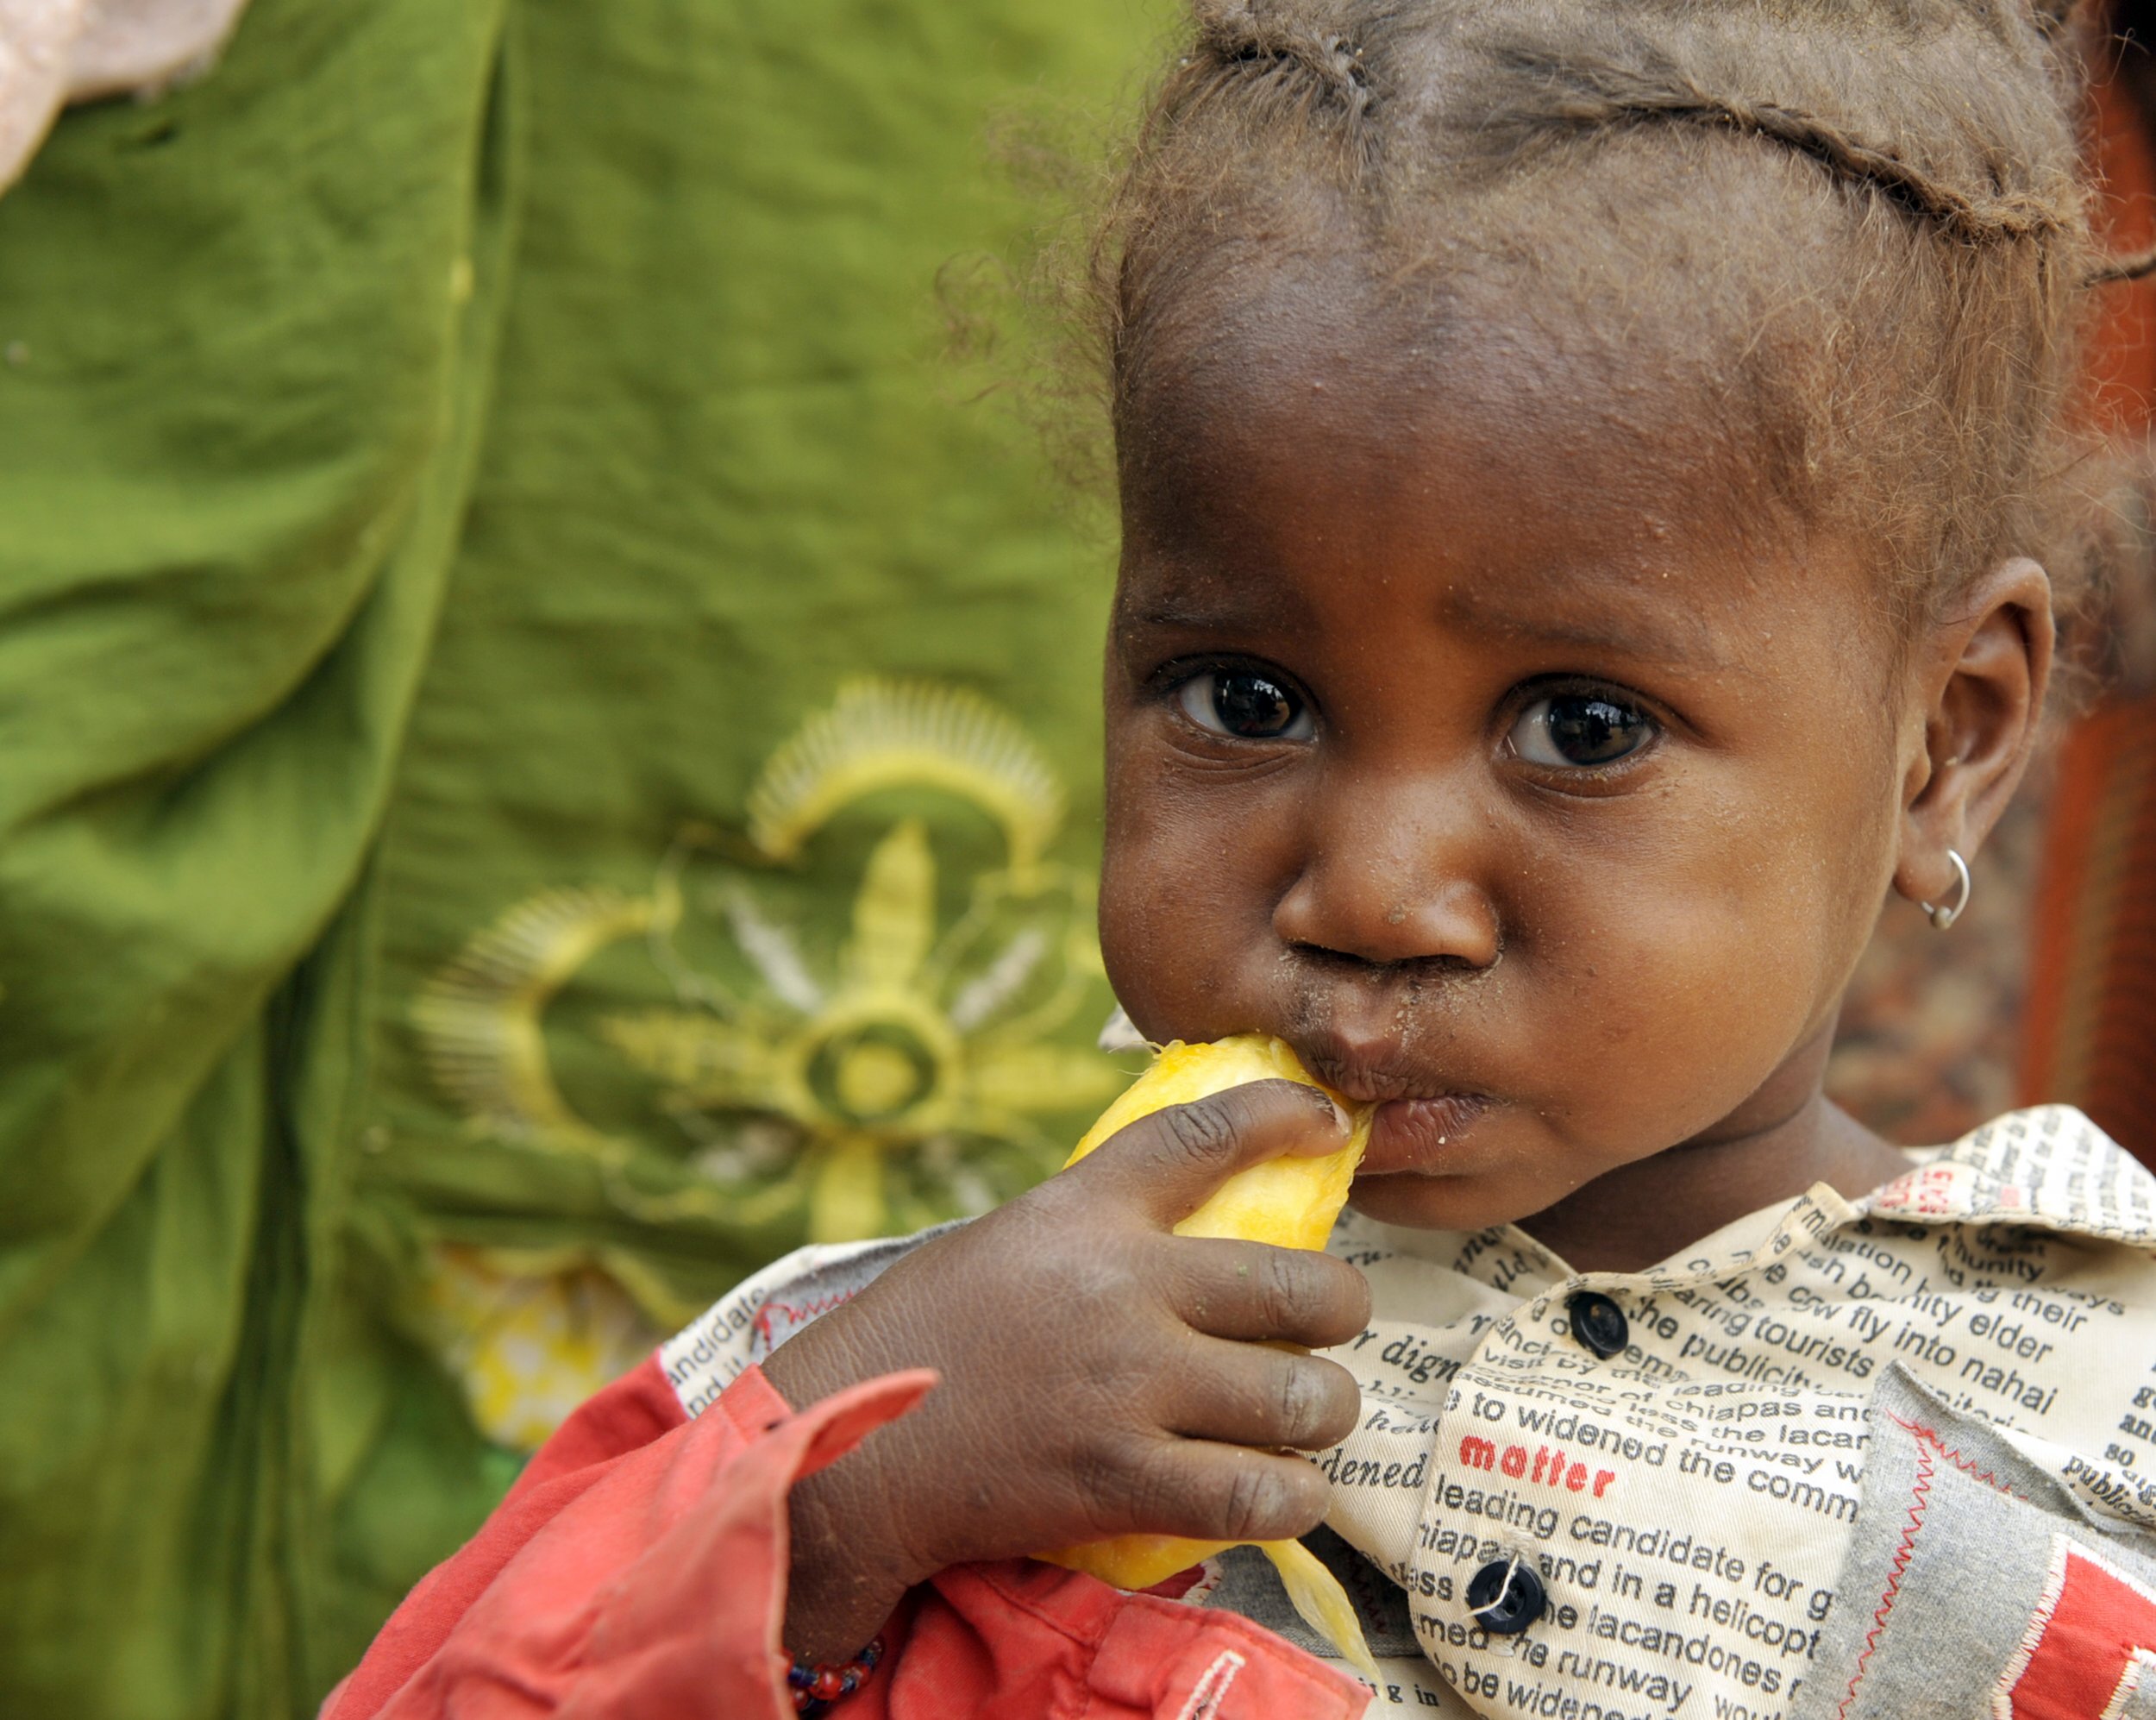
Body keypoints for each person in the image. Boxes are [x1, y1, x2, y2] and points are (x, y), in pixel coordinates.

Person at [322, 2, 2156, 1716]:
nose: (1365, 889)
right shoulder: (907, 1382)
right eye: (1247, 695)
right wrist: (831, 1506)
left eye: (1578, 729)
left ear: (1945, 739)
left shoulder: (2089, 1408)